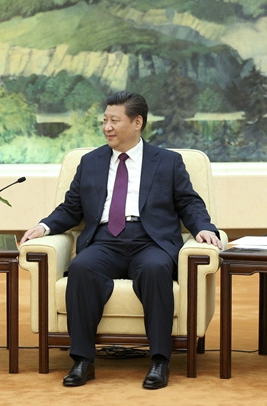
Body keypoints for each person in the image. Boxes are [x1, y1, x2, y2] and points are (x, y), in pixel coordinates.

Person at [20, 91, 222, 390]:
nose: (107, 127)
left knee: (155, 271)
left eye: (115, 120)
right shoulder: (91, 162)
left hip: (150, 240)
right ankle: (83, 361)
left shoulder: (168, 161)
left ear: (137, 122)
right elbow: (71, 208)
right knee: (82, 269)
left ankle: (159, 361)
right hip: (105, 241)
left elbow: (189, 203)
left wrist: (204, 227)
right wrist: (44, 226)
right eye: (105, 120)